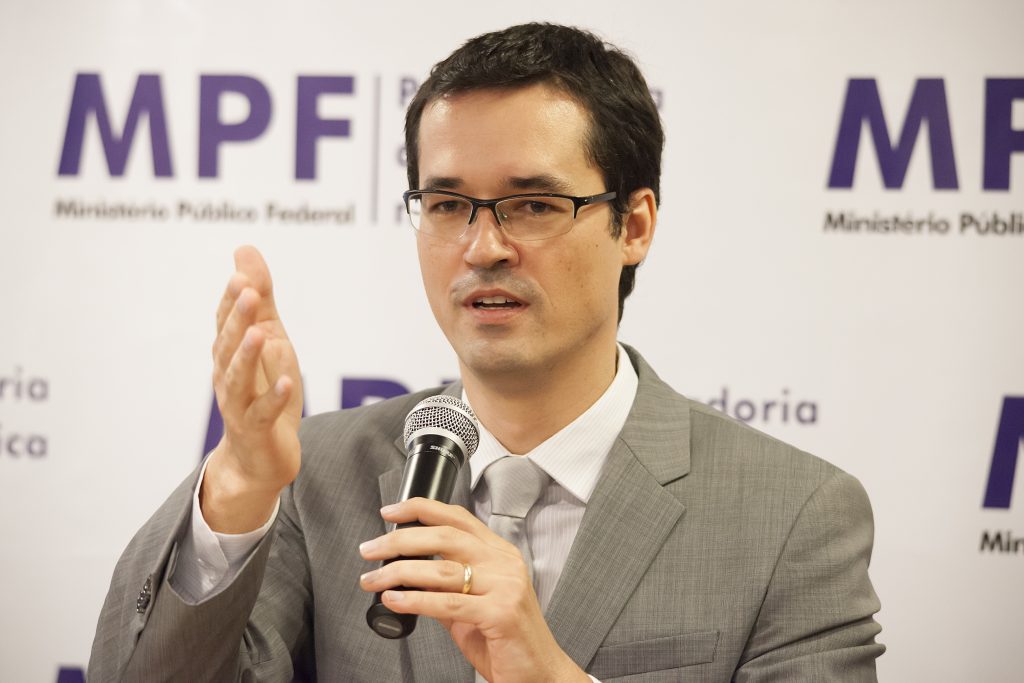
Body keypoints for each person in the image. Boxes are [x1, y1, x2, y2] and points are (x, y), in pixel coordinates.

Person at [89, 23, 883, 682]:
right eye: (448, 204)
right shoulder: (313, 479)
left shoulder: (793, 515)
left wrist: (549, 673)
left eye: (532, 203)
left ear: (635, 224)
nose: (483, 246)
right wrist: (238, 482)